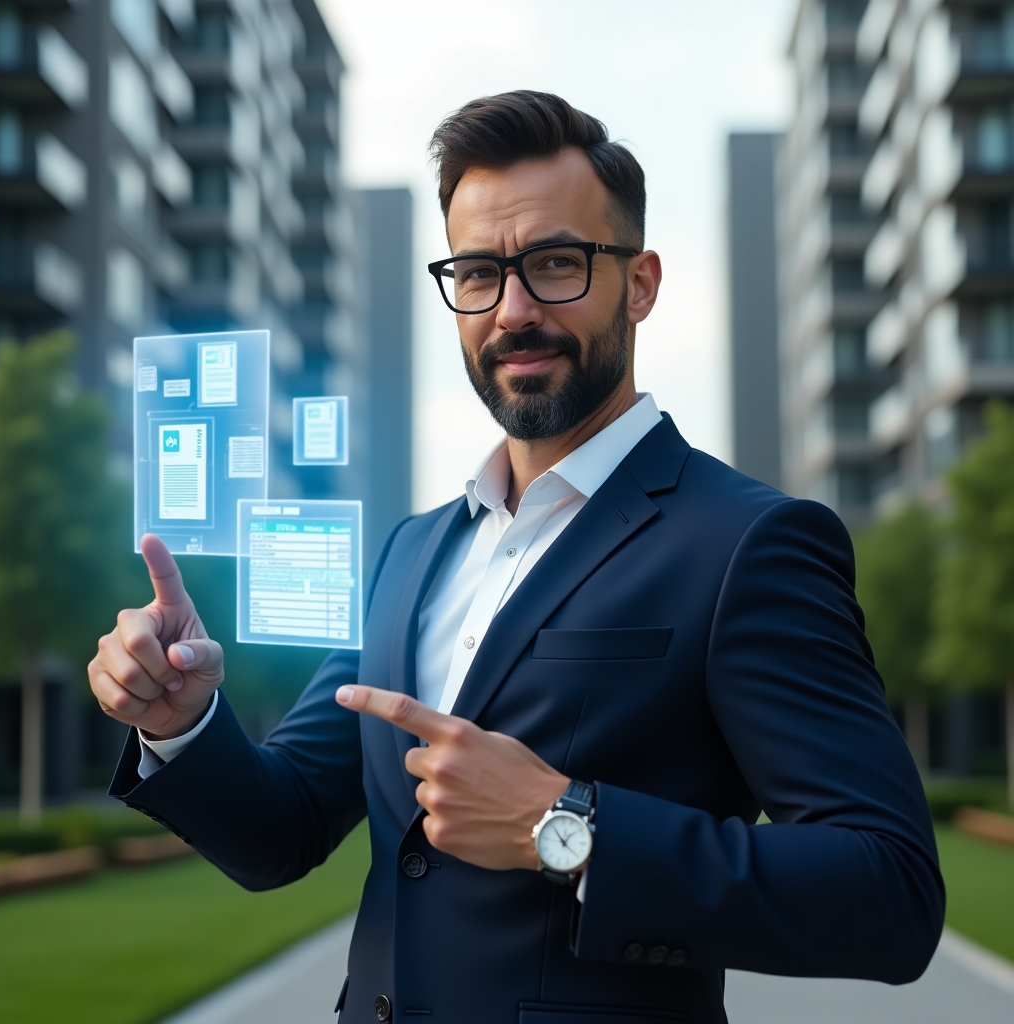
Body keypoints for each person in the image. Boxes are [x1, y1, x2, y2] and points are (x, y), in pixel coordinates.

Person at [89, 91, 944, 1024]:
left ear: (640, 284)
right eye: (478, 273)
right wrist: (182, 722)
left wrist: (562, 827)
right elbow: (281, 830)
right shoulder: (409, 554)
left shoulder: (748, 543)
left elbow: (889, 890)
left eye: (555, 264)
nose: (513, 310)